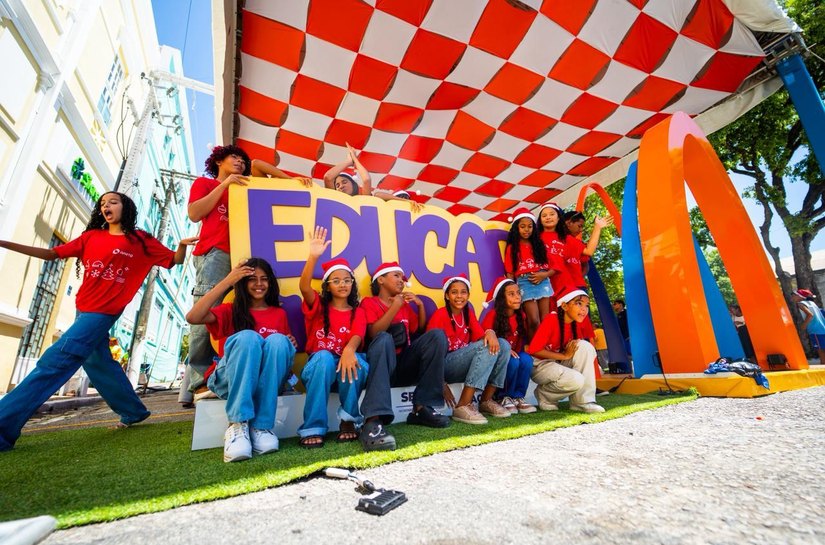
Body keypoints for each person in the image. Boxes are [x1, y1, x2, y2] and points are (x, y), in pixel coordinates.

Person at [0, 192, 196, 451]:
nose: (106, 206)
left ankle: (3, 426)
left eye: (112, 202)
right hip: (83, 309)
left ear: (125, 207)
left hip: (103, 312)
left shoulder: (140, 240)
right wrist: (5, 242)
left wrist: (181, 245)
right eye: (102, 203)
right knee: (98, 362)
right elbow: (52, 254)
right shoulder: (90, 237)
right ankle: (132, 410)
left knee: (55, 361)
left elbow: (174, 260)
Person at [184, 146, 302, 405]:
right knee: (207, 311)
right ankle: (198, 383)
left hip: (248, 254)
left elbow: (259, 163)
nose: (240, 162)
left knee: (255, 308)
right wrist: (225, 184)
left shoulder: (247, 182)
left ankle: (234, 374)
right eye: (234, 157)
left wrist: (291, 182)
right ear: (217, 160)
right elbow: (194, 213)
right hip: (218, 253)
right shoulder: (206, 183)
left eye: (241, 159)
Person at [186, 258, 295, 462]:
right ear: (242, 283)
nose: (259, 284)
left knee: (279, 342)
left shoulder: (279, 314)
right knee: (248, 337)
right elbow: (193, 317)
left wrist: (288, 345)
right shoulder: (230, 310)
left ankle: (262, 426)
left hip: (264, 385)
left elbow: (276, 357)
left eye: (264, 279)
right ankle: (237, 424)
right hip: (229, 381)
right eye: (252, 279)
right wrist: (228, 281)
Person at [359, 261, 450, 448]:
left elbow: (420, 329)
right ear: (381, 280)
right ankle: (373, 420)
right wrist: (394, 307)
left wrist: (420, 306)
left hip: (404, 364)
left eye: (402, 278)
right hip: (383, 366)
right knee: (384, 338)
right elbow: (373, 334)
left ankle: (421, 408)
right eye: (396, 276)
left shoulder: (404, 306)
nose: (401, 281)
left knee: (436, 336)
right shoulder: (369, 303)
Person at [297, 227, 369, 448]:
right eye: (336, 281)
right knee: (324, 357)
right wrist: (314, 255)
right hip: (320, 369)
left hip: (347, 369)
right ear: (328, 286)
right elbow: (304, 286)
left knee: (354, 360)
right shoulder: (318, 307)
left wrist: (349, 351)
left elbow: (357, 335)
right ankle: (313, 426)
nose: (342, 284)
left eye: (347, 280)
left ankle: (348, 420)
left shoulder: (358, 311)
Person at [427, 275, 510, 424]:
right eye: (454, 292)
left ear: (468, 295)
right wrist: (442, 383)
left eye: (463, 292)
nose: (459, 296)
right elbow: (429, 353)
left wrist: (490, 332)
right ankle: (463, 405)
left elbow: (482, 337)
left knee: (503, 345)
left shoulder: (468, 313)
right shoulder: (440, 315)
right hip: (444, 367)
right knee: (486, 346)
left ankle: (485, 400)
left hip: (462, 367)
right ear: (447, 295)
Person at [525, 286, 605, 414]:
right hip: (540, 365)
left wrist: (565, 357)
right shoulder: (552, 319)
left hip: (558, 362)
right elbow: (534, 350)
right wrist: (564, 356)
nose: (584, 309)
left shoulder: (575, 323)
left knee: (585, 347)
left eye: (587, 305)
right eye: (579, 303)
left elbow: (574, 354)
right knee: (576, 379)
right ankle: (545, 395)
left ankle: (582, 402)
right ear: (564, 306)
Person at [480, 276, 537, 414]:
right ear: (501, 298)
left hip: (515, 354)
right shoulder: (492, 315)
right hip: (497, 359)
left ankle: (517, 396)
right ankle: (502, 396)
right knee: (512, 361)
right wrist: (505, 349)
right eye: (511, 294)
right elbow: (484, 340)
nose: (517, 297)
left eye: (518, 293)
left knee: (526, 359)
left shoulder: (520, 316)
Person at [504, 207, 554, 336]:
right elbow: (509, 271)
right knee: (533, 320)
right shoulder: (512, 248)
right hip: (524, 282)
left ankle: (546, 347)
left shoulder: (539, 245)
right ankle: (535, 348)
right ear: (516, 228)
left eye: (530, 226)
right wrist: (511, 289)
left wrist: (544, 275)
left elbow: (552, 267)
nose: (526, 230)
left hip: (542, 280)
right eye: (523, 226)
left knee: (545, 319)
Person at [562, 210, 613, 291]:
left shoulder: (577, 242)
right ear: (568, 223)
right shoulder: (559, 238)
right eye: (579, 226)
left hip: (576, 286)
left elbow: (586, 263)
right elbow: (589, 251)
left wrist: (578, 276)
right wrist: (597, 227)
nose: (581, 229)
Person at [536, 202, 575, 296]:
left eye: (552, 214)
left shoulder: (566, 239)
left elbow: (563, 261)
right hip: (542, 281)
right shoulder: (535, 238)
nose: (548, 217)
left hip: (563, 281)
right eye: (544, 215)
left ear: (558, 218)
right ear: (540, 220)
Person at [791, 289, 825, 363]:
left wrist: (803, 326)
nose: (792, 297)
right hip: (823, 329)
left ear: (800, 296)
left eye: (793, 295)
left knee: (821, 351)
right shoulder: (812, 303)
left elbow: (810, 315)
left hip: (816, 330)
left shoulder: (801, 304)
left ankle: (823, 368)